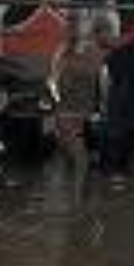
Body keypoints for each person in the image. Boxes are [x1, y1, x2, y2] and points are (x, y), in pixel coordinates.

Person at [47, 15, 113, 200]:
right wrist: (58, 105)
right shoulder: (66, 52)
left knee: (81, 163)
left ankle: (80, 204)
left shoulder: (98, 55)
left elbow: (103, 88)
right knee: (81, 162)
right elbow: (52, 82)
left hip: (86, 117)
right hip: (71, 116)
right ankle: (78, 205)